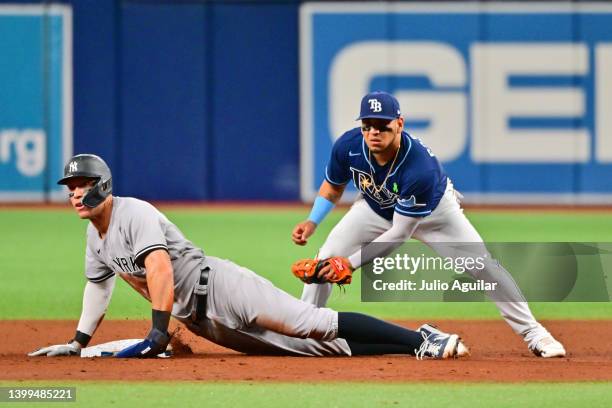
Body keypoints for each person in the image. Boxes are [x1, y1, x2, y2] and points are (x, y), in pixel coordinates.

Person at [29, 154, 469, 359]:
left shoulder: (134, 213)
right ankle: (415, 342)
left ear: (102, 184)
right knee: (312, 350)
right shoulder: (95, 237)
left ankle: (420, 340)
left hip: (221, 287)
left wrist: (158, 331)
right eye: (70, 188)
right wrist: (78, 342)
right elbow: (98, 287)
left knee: (311, 323)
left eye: (82, 184)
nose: (76, 194)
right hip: (205, 320)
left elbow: (159, 268)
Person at [291, 91, 566, 358]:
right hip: (375, 208)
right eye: (367, 126)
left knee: (482, 267)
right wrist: (313, 220)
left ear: (399, 124)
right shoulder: (349, 146)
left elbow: (398, 234)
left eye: (382, 126)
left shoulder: (420, 167)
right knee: (324, 260)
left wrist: (349, 264)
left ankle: (535, 333)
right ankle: (300, 330)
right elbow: (333, 186)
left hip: (433, 214)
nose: (374, 132)